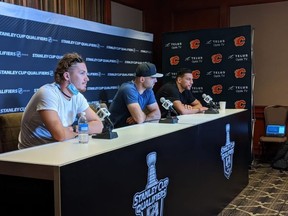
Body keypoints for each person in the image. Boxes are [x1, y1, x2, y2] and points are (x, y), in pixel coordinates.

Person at [18, 52, 103, 149]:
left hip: (58, 149)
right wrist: (81, 130)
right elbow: (60, 135)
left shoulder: (77, 97)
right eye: (82, 73)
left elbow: (99, 125)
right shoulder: (48, 93)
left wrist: (74, 129)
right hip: (33, 154)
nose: (87, 78)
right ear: (67, 76)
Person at [109, 62, 163, 128]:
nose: (156, 81)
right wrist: (140, 117)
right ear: (142, 79)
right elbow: (139, 119)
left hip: (133, 128)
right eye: (153, 78)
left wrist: (143, 118)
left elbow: (157, 114)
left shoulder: (149, 90)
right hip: (116, 130)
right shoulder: (128, 89)